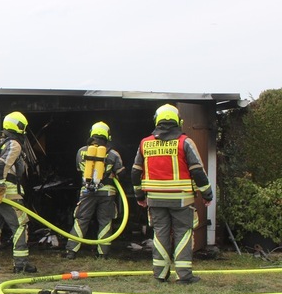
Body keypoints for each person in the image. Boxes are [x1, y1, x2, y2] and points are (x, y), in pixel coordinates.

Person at [131, 104, 213, 284]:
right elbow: (198, 172)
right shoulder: (185, 142)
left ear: (156, 120)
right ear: (178, 121)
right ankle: (184, 276)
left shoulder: (145, 143)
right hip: (181, 200)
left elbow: (135, 172)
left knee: (160, 234)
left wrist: (139, 197)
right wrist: (207, 195)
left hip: (155, 199)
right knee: (183, 233)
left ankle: (160, 274)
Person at [0, 111, 37, 273]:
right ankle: (21, 264)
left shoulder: (0, 143)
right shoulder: (14, 144)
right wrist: (0, 186)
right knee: (20, 226)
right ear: (18, 126)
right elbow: (1, 165)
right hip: (7, 193)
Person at [65, 121, 125, 260]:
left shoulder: (81, 151)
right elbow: (121, 174)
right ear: (107, 136)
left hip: (87, 191)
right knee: (105, 221)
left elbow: (80, 170)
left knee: (81, 220)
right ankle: (103, 253)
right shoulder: (113, 154)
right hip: (107, 192)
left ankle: (71, 251)